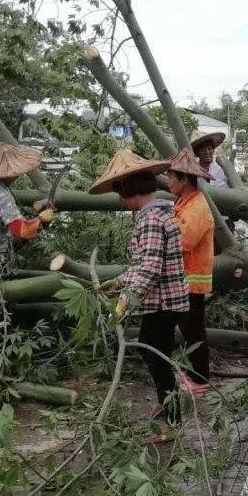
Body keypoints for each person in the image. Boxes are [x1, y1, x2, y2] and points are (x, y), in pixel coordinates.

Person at [89, 149, 189, 419]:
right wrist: (118, 282)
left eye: (121, 194)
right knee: (153, 351)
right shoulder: (158, 214)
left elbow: (150, 268)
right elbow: (145, 262)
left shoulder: (151, 219)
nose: (121, 201)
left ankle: (172, 420)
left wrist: (126, 300)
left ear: (128, 191)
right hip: (164, 300)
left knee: (156, 356)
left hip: (163, 301)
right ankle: (165, 403)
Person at [164, 148, 214, 393]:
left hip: (191, 279)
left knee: (193, 331)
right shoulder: (185, 202)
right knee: (189, 329)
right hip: (183, 278)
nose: (167, 181)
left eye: (171, 177)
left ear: (184, 179)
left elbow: (182, 242)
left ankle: (201, 380)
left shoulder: (196, 208)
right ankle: (194, 375)